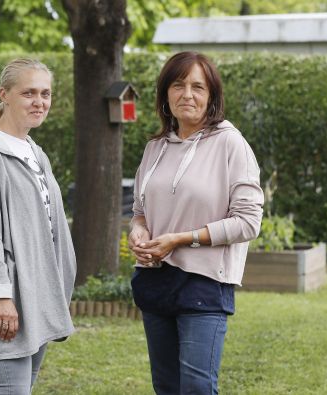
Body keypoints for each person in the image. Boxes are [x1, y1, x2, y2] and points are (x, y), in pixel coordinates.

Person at [129, 51, 264, 394]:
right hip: (155, 281)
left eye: (197, 87)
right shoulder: (155, 147)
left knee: (196, 388)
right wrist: (139, 232)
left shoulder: (231, 144)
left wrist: (180, 239)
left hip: (204, 284)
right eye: (178, 85)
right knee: (167, 387)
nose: (187, 94)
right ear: (166, 94)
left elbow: (248, 222)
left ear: (211, 96)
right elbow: (139, 211)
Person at [0, 58, 76, 394]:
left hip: (36, 296)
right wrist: (0, 297)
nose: (39, 102)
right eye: (29, 93)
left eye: (46, 93)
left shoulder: (34, 152)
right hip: (8, 300)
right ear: (5, 95)